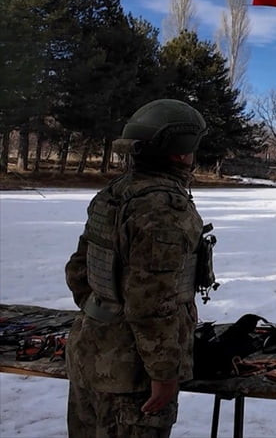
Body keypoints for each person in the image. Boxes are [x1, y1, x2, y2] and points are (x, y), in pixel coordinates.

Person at [64, 99, 209, 438]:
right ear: (182, 152)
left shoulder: (114, 194)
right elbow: (151, 303)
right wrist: (163, 373)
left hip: (91, 359)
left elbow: (78, 272)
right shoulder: (163, 208)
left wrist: (104, 315)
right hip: (131, 376)